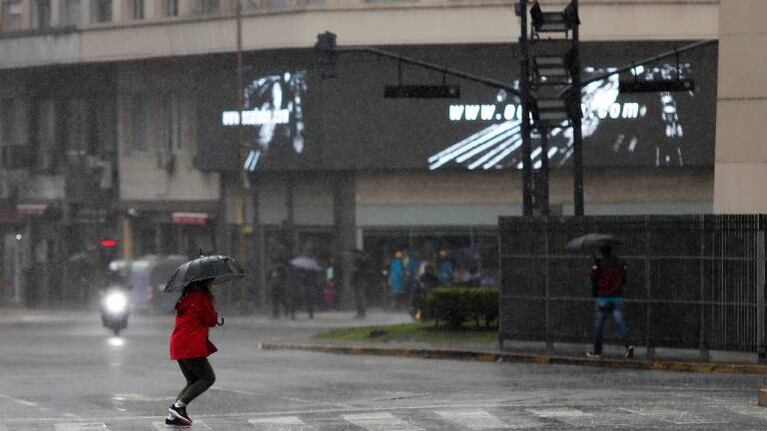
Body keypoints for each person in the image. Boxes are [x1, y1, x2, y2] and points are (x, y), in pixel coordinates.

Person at [166, 278, 220, 426]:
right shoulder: (200, 297)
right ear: (205, 282)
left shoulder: (188, 296)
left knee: (193, 381)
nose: (213, 284)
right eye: (211, 281)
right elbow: (210, 320)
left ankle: (174, 415)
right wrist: (214, 312)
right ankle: (178, 407)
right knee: (207, 378)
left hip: (179, 343)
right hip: (190, 344)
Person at [587, 246, 635, 359]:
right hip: (617, 297)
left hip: (603, 297)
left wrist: (594, 264)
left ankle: (597, 351)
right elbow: (623, 280)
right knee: (621, 322)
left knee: (599, 326)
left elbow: (593, 278)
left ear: (601, 252)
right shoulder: (619, 263)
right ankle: (629, 345)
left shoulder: (600, 263)